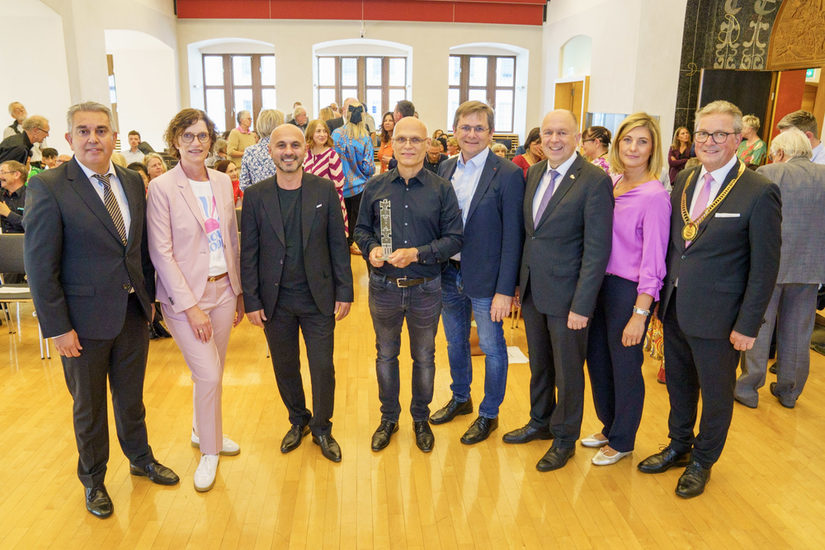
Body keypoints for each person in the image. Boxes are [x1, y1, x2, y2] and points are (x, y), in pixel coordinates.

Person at [24, 101, 179, 519]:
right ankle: (94, 480)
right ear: (69, 138)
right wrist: (58, 327)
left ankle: (141, 458)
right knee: (89, 408)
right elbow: (40, 266)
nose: (94, 138)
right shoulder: (50, 186)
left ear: (114, 136)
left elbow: (140, 249)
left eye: (101, 130)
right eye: (84, 131)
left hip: (131, 314)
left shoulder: (130, 181)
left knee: (131, 399)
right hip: (81, 323)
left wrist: (149, 303)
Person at [637, 100, 781, 499]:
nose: (709, 141)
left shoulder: (759, 190)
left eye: (720, 134)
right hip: (676, 308)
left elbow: (765, 267)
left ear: (738, 139)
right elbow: (675, 247)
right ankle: (679, 445)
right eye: (703, 133)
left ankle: (703, 460)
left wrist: (748, 325)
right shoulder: (686, 178)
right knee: (679, 385)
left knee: (716, 396)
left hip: (722, 318)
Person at [503, 109, 613, 473]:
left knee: (567, 371)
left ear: (577, 137)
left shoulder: (593, 180)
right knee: (539, 363)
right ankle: (541, 421)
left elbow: (597, 250)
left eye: (562, 133)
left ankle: (565, 437)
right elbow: (530, 234)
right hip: (535, 290)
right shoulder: (534, 172)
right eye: (548, 132)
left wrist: (583, 304)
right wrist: (520, 283)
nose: (554, 139)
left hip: (569, 298)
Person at [241, 124, 353, 463]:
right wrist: (252, 300)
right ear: (270, 151)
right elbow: (249, 252)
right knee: (285, 366)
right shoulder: (256, 196)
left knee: (322, 367)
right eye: (281, 146)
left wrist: (345, 290)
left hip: (318, 298)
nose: (288, 151)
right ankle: (298, 419)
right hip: (275, 302)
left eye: (294, 145)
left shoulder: (325, 190)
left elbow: (338, 243)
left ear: (304, 148)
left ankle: (322, 427)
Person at [354, 116, 463, 453]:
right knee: (385, 355)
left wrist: (418, 252)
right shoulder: (375, 186)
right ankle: (389, 418)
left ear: (428, 143)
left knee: (424, 357)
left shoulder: (442, 189)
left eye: (416, 140)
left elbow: (455, 239)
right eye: (402, 139)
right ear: (391, 142)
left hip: (426, 288)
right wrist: (371, 249)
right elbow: (360, 230)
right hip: (384, 287)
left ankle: (420, 418)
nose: (408, 146)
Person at [430, 101, 525, 444]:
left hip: (487, 280)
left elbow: (514, 235)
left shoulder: (509, 174)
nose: (472, 134)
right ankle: (461, 398)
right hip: (448, 274)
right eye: (465, 127)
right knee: (455, 342)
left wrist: (506, 289)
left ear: (490, 133)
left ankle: (489, 413)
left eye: (479, 128)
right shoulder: (445, 167)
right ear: (455, 131)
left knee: (491, 345)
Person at [582, 113, 670, 466]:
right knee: (599, 361)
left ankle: (623, 439)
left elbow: (654, 262)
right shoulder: (611, 182)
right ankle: (609, 424)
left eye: (642, 141)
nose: (633, 147)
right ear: (617, 144)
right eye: (628, 140)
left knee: (625, 365)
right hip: (598, 285)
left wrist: (640, 313)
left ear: (653, 149)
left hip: (627, 291)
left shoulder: (654, 196)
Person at [735, 128, 825, 409]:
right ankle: (788, 391)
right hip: (810, 268)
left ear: (780, 152)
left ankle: (749, 387)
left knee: (759, 326)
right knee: (798, 332)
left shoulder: (769, 173)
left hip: (768, 265)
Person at [332, 100, 374, 253]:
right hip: (358, 186)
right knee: (356, 219)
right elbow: (368, 166)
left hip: (339, 185)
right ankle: (353, 244)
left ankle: (343, 245)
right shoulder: (365, 136)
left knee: (342, 218)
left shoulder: (336, 134)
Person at [304, 118, 348, 236]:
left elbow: (339, 183)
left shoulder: (331, 154)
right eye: (318, 131)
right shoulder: (306, 154)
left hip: (330, 204)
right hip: (310, 203)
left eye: (324, 131)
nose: (322, 134)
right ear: (311, 133)